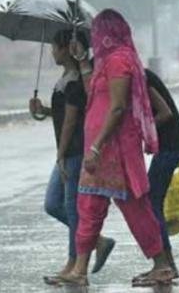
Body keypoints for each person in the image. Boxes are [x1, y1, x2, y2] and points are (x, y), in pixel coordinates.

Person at [59, 9, 174, 287]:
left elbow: (119, 106)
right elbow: (94, 97)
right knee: (87, 206)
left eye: (97, 31)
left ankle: (162, 265)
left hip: (114, 152)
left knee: (136, 210)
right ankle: (80, 269)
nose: (94, 37)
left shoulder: (120, 61)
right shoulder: (105, 62)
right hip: (98, 152)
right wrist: (82, 60)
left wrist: (97, 145)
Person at [28, 30, 115, 285]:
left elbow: (71, 122)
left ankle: (74, 265)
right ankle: (97, 241)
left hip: (74, 151)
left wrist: (61, 154)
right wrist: (43, 110)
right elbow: (63, 114)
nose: (53, 52)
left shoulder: (77, 80)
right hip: (68, 151)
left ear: (68, 48)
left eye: (55, 47)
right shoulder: (65, 78)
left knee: (72, 209)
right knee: (54, 204)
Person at [131, 68, 179, 281]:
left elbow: (165, 112)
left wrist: (140, 130)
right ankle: (167, 263)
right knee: (152, 200)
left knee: (152, 201)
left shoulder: (140, 77)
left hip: (172, 143)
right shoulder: (137, 75)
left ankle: (166, 265)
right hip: (170, 144)